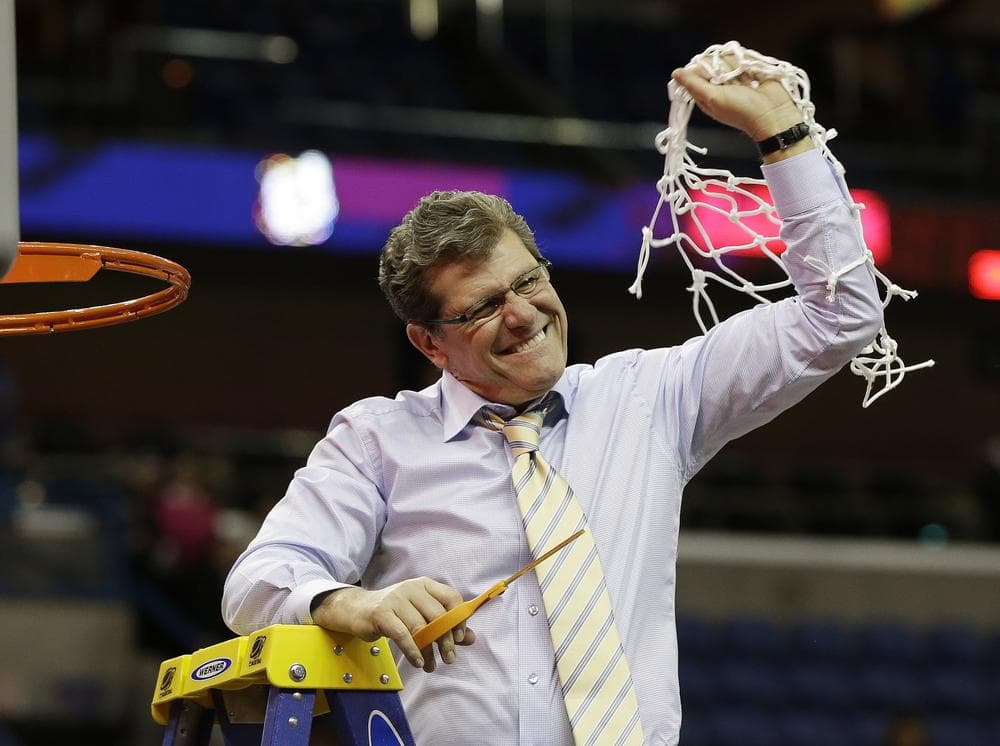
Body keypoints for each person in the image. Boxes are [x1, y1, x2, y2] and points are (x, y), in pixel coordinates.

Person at [222, 53, 884, 745]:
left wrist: (784, 134)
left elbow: (841, 317)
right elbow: (257, 583)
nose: (522, 314)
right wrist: (350, 602)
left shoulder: (650, 398)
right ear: (428, 344)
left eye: (528, 281)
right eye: (482, 306)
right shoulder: (377, 439)